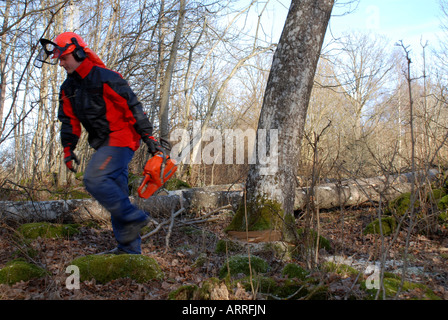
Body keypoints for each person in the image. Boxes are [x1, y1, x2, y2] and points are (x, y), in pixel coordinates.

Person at [36, 32, 161, 255]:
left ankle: (135, 217)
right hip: (103, 143)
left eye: (64, 58)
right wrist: (67, 149)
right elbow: (69, 120)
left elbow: (132, 106)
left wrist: (148, 137)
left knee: (94, 178)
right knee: (118, 193)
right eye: (60, 59)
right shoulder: (68, 89)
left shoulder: (105, 77)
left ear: (78, 52)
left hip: (121, 137)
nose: (61, 63)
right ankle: (129, 249)